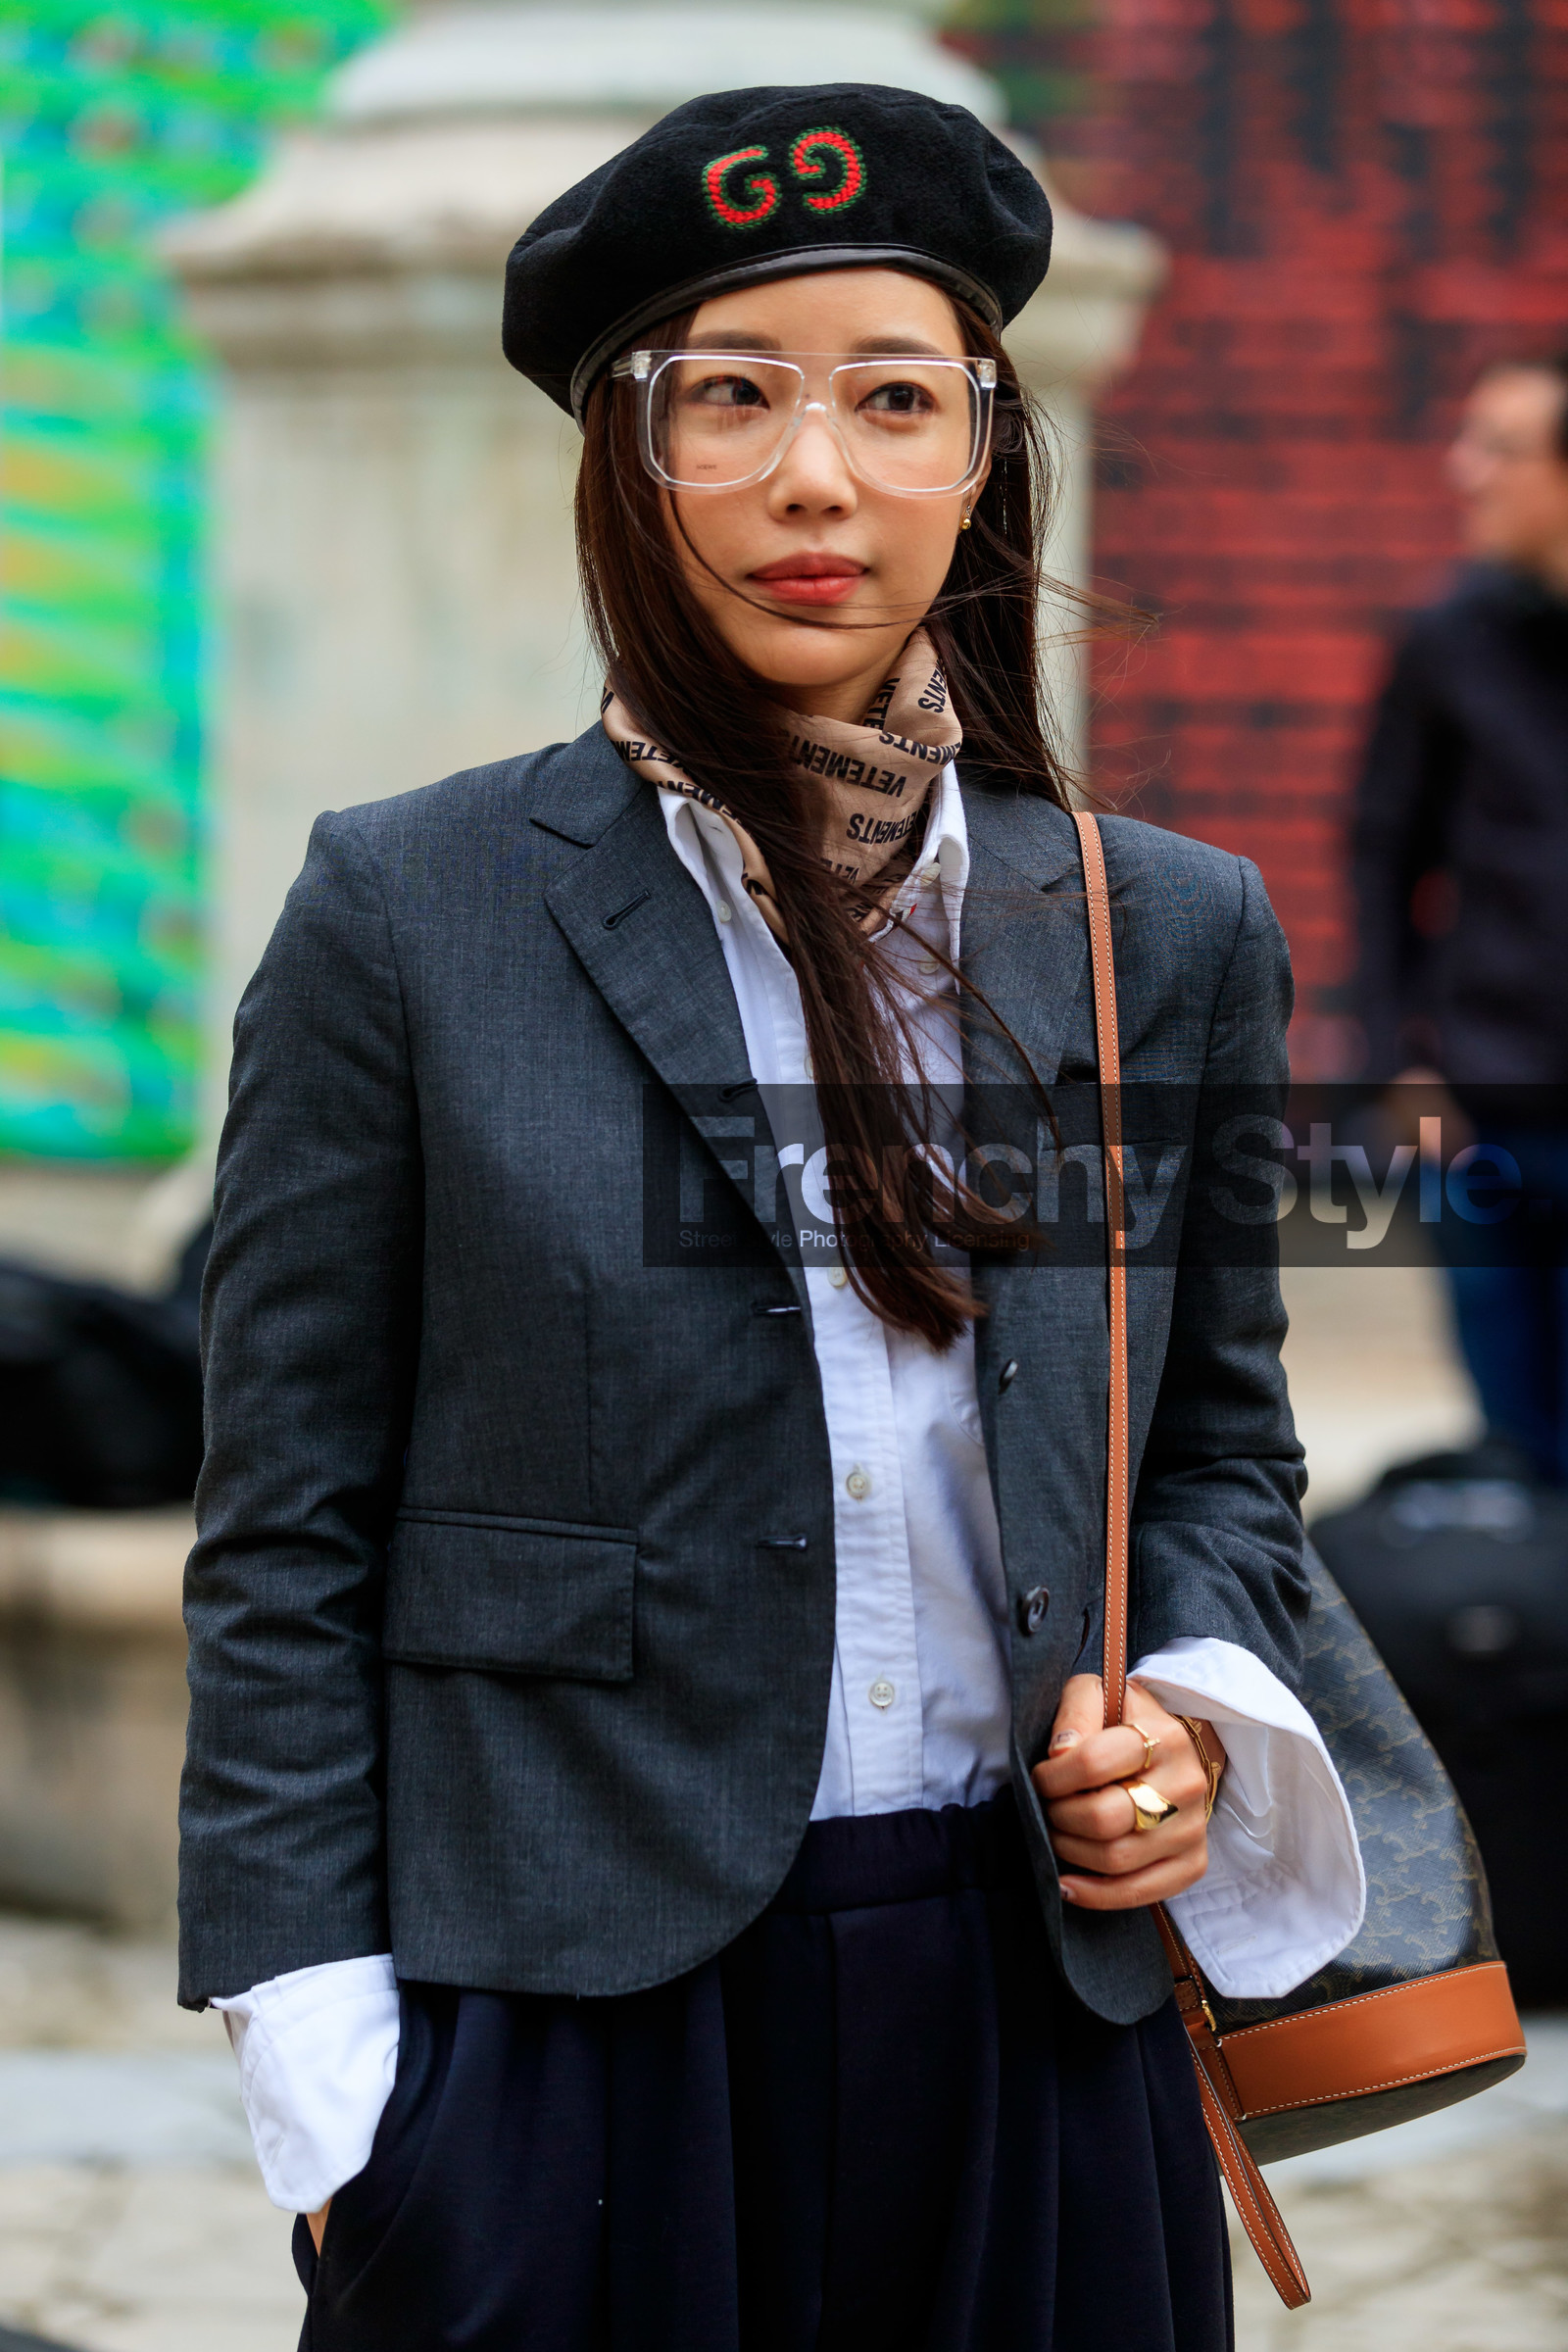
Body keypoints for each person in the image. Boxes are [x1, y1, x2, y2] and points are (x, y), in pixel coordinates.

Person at [179, 83, 1362, 2352]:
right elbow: (288, 1526)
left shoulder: (1150, 929)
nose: (814, 477)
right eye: (729, 396)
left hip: (1036, 2006)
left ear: (981, 453)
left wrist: (1189, 1718)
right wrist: (338, 2096)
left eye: (893, 398)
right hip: (557, 2015)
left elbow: (1208, 1445)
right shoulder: (412, 910)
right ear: (626, 460)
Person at [1350, 352, 1568, 1484]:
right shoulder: (1448, 643)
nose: (1461, 469)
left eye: (1497, 446)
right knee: (1515, 1444)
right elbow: (1384, 856)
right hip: (1485, 1108)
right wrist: (1398, 1064)